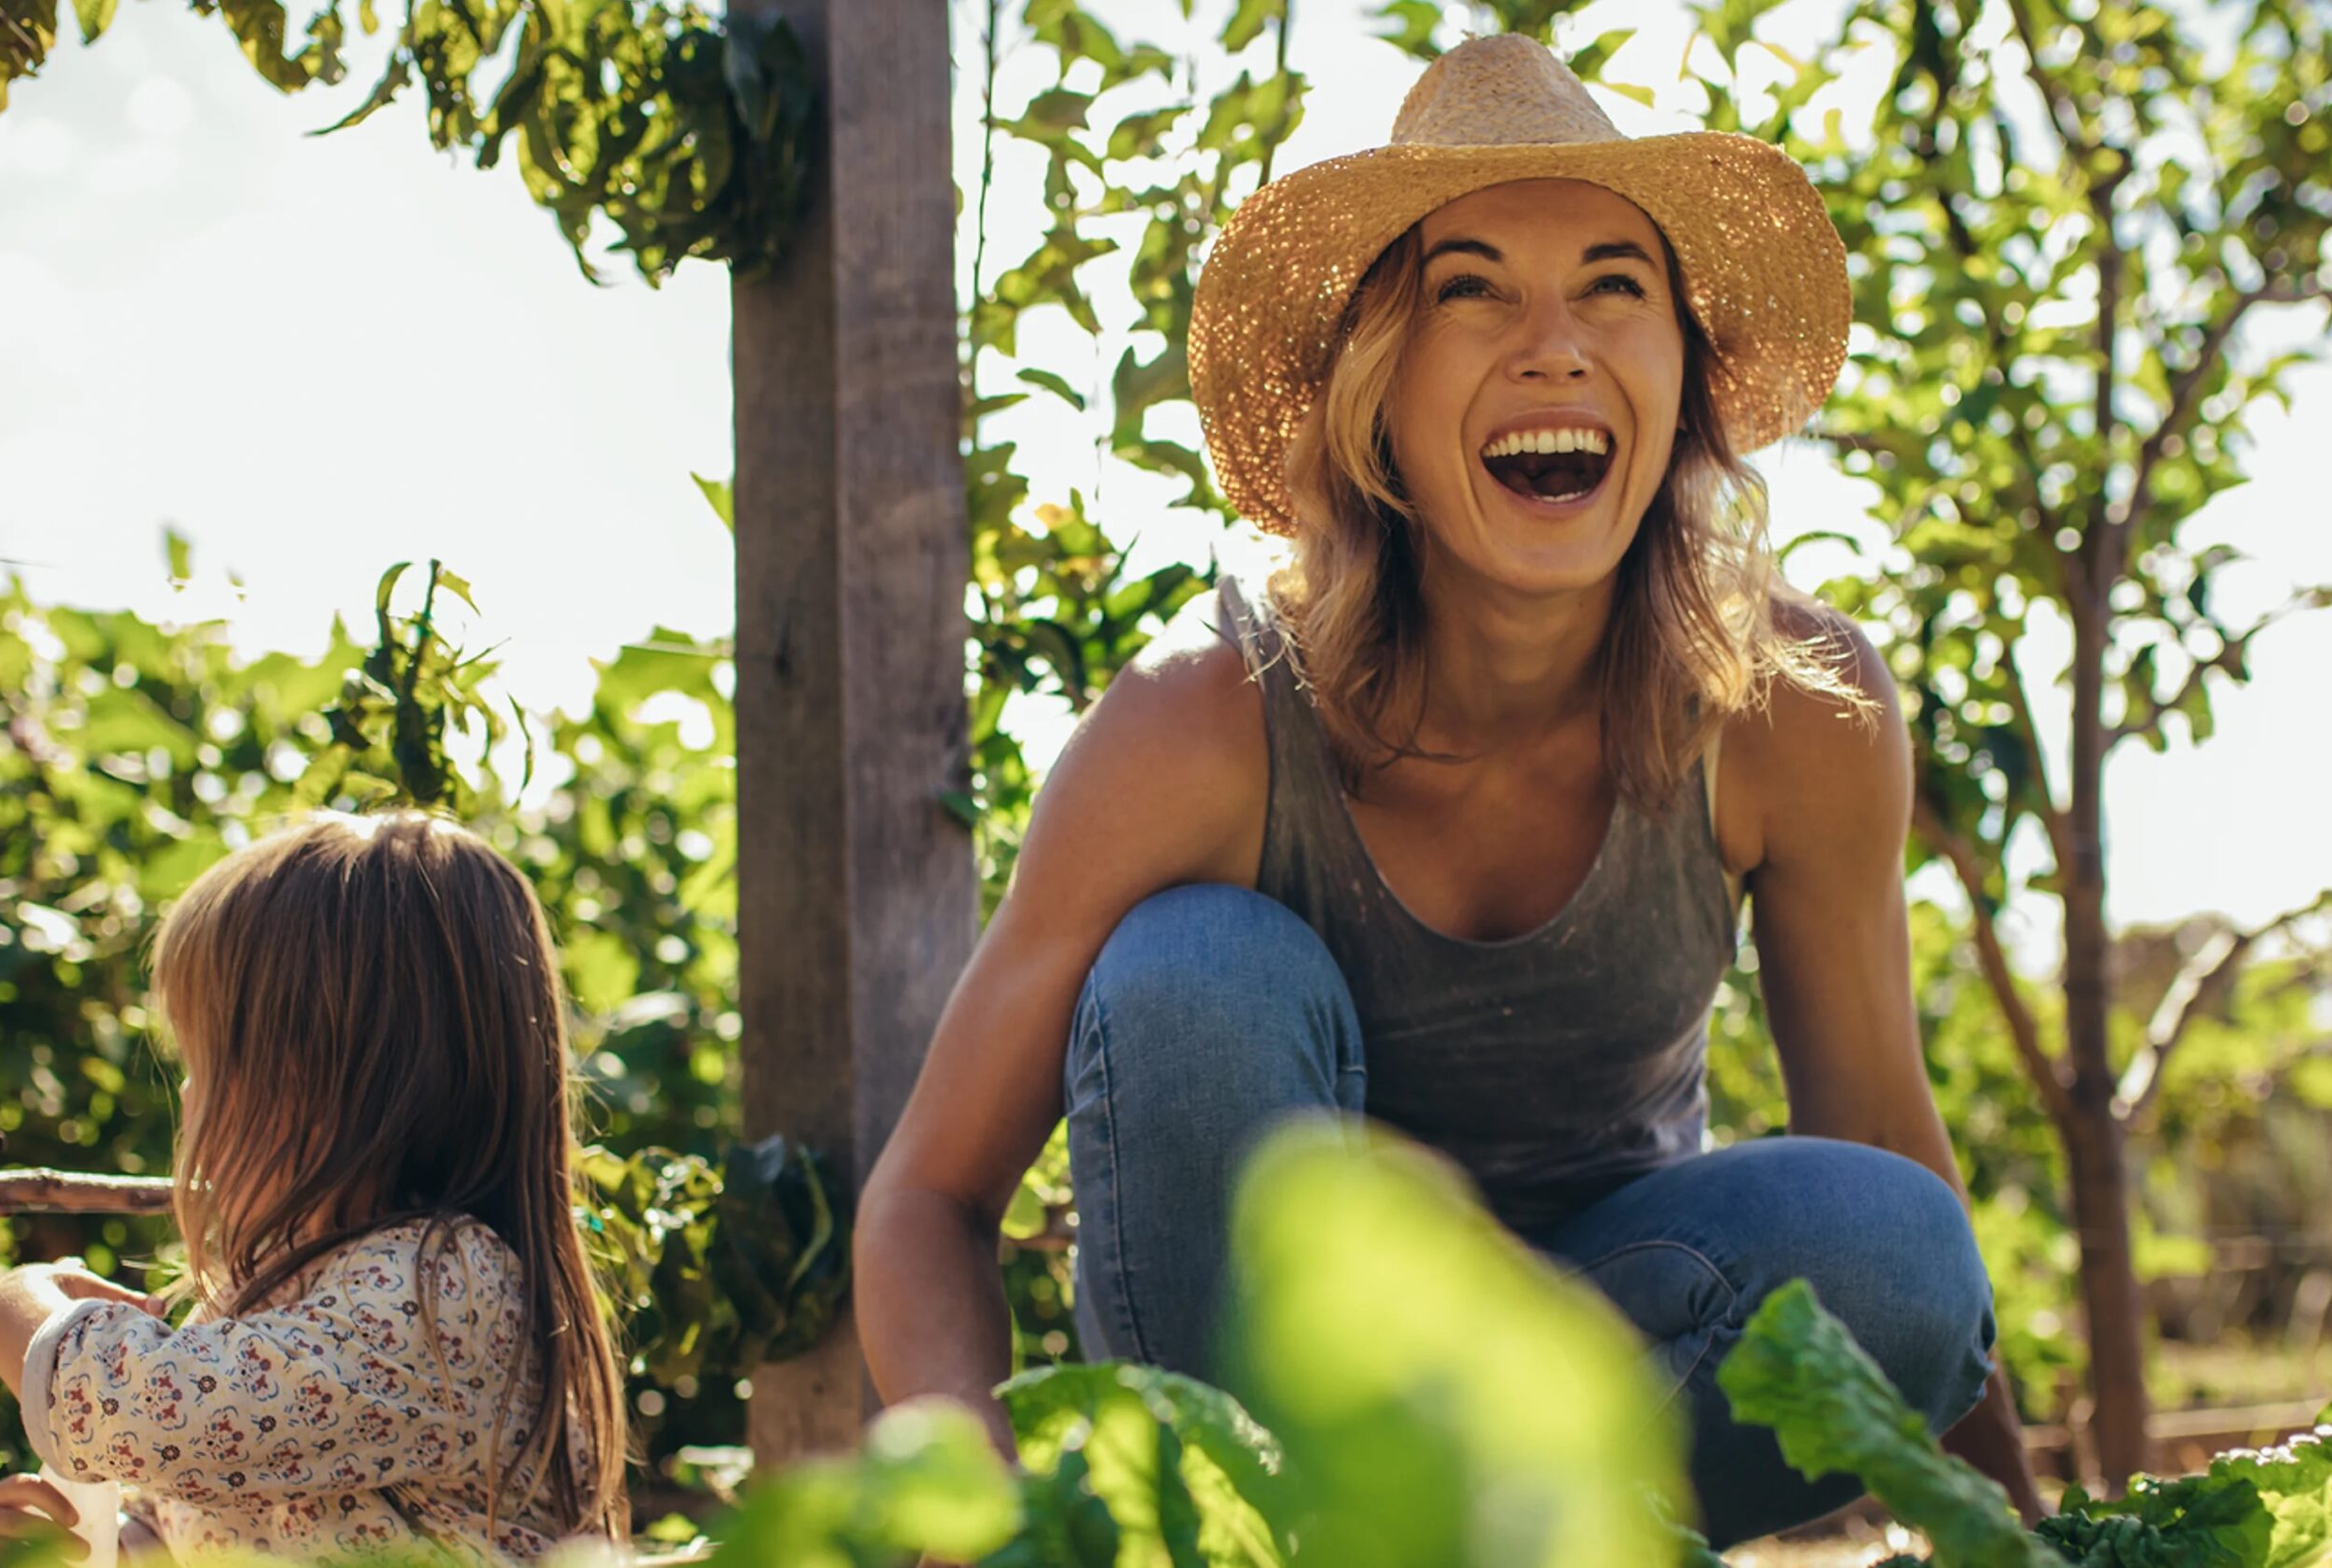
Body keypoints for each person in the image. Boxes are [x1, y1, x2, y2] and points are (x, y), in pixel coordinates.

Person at [855, 33, 2041, 1545]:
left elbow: (1880, 1136)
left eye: (1616, 284)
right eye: (1472, 288)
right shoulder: (1200, 727)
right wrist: (980, 1518)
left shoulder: (1790, 709)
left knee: (1903, 1245)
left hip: (1621, 1357)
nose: (1554, 345)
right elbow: (925, 1199)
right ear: (1376, 388)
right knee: (1196, 970)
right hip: (1253, 1412)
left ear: (1680, 380)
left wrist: (2030, 1530)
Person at [0, 812, 629, 1563]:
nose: (187, 1092)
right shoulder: (283, 1299)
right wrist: (94, 1546)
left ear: (315, 1083)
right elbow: (202, 1525)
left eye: (207, 1057)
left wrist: (15, 1304)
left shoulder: (440, 1287)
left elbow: (139, 1413)